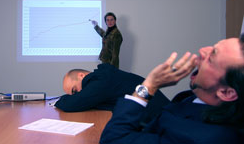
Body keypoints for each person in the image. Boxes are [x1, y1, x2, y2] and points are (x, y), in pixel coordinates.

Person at [100, 37, 244, 144]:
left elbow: (112, 140)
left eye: (212, 56)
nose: (202, 50)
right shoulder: (192, 97)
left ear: (226, 93)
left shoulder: (204, 138)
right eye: (213, 47)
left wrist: (149, 86)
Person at [54, 63, 144, 112]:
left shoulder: (100, 80)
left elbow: (71, 104)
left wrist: (61, 100)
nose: (76, 94)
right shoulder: (102, 76)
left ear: (81, 75)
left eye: (74, 91)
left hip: (152, 120)